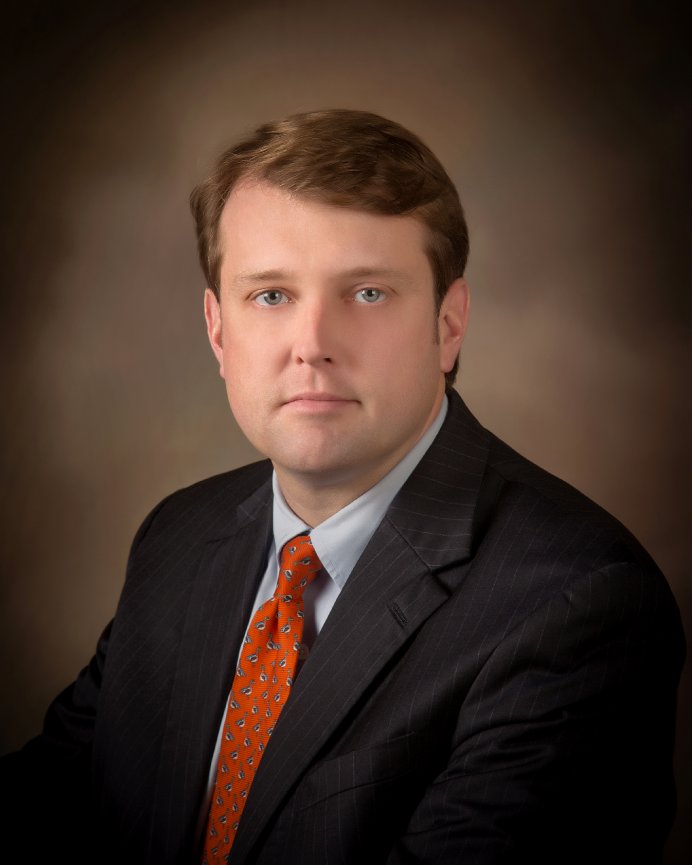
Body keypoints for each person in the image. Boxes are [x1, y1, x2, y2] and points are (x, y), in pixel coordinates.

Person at [1, 109, 685, 865]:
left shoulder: (577, 605)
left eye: (366, 293)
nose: (313, 345)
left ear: (449, 323)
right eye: (270, 295)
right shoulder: (179, 538)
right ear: (217, 331)